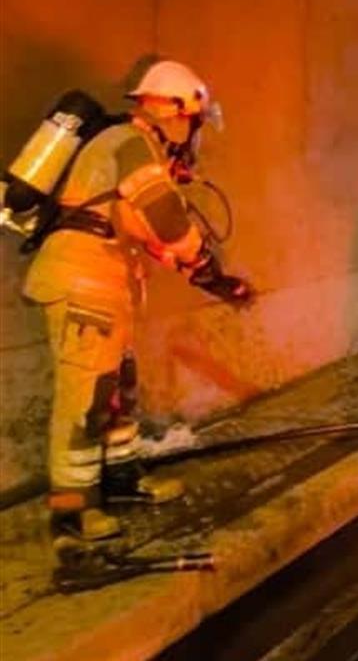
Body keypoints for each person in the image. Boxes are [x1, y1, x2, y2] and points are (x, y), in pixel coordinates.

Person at [22, 60, 252, 545]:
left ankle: (122, 482)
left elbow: (153, 238)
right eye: (193, 120)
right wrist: (204, 260)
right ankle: (70, 510)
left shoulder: (132, 149)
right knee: (82, 403)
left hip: (104, 287)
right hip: (82, 285)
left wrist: (214, 280)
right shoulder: (131, 145)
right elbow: (167, 221)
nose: (192, 133)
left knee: (114, 391)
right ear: (171, 110)